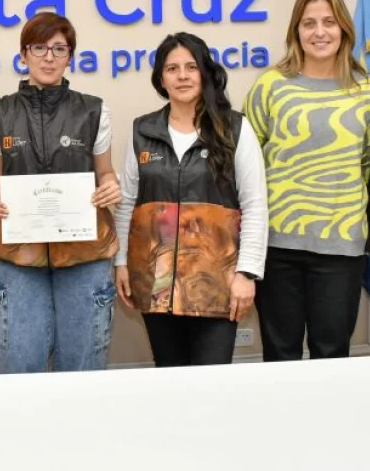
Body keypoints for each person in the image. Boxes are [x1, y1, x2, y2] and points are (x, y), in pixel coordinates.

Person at [114, 32, 268, 367]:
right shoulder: (143, 130)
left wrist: (247, 273)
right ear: (161, 79)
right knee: (169, 376)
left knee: (212, 382)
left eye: (190, 67)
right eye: (172, 68)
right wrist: (121, 262)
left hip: (217, 282)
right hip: (156, 281)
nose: (182, 75)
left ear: (205, 73)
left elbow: (255, 205)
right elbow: (128, 202)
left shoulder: (234, 129)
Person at [244, 0, 370, 361]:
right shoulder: (270, 86)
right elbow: (249, 164)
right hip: (277, 247)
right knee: (280, 353)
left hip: (341, 247)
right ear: (296, 32)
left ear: (345, 31)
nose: (319, 32)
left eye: (329, 22)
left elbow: (366, 163)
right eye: (309, 23)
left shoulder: (369, 91)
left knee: (331, 352)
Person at [0, 13, 121, 373]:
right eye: (39, 47)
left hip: (84, 251)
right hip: (20, 253)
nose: (48, 57)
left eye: (59, 49)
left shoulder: (94, 109)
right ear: (24, 54)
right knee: (19, 361)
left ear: (70, 56)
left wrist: (110, 188)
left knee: (82, 363)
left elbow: (104, 173)